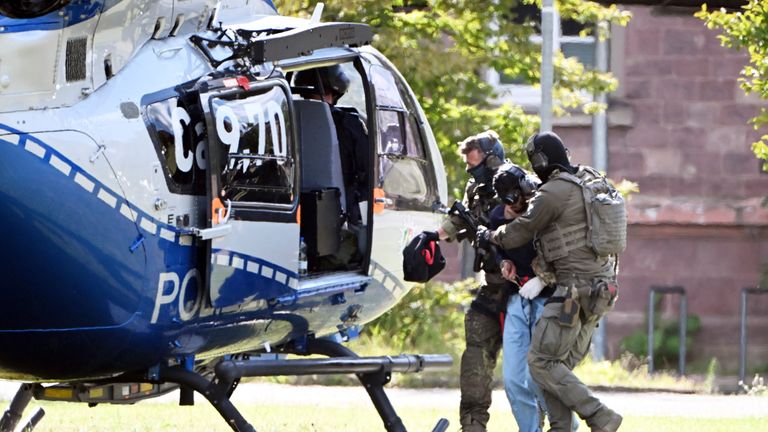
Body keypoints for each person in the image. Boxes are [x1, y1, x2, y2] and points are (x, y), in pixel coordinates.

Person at [478, 131, 622, 432]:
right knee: (554, 366)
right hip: (601, 291)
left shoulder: (555, 191)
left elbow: (523, 229)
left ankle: (599, 415)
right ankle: (561, 428)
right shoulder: (588, 178)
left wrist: (491, 235)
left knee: (541, 362)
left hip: (572, 293)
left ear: (541, 160)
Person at [433, 130, 508, 432]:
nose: (472, 172)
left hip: (525, 288)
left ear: (492, 160)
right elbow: (461, 222)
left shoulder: (518, 184)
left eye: (475, 166)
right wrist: (431, 236)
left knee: (532, 367)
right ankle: (473, 425)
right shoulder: (475, 190)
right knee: (475, 356)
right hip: (492, 285)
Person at [490, 164, 558, 432]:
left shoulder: (542, 210)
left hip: (547, 298)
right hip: (517, 299)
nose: (514, 205)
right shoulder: (498, 216)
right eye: (508, 200)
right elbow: (497, 246)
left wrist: (543, 279)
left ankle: (566, 427)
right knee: (514, 380)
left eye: (518, 197)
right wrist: (503, 261)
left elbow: (563, 254)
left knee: (538, 378)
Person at [293, 65, 369, 225]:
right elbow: (368, 170)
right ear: (335, 94)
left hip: (293, 212)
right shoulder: (348, 124)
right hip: (337, 219)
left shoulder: (287, 121)